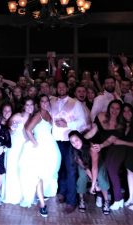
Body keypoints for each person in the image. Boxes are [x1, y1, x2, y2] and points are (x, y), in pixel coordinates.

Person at [19, 95, 61, 217]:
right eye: (42, 101)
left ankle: (43, 195)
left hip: (51, 146)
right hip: (40, 148)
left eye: (46, 101)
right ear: (39, 103)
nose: (45, 103)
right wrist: (35, 143)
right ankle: (42, 205)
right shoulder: (38, 115)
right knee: (38, 175)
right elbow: (27, 129)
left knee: (48, 172)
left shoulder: (49, 114)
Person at [51, 81, 86, 214]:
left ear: (67, 88)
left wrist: (67, 123)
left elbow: (82, 122)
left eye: (63, 87)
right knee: (59, 168)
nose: (61, 88)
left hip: (69, 141)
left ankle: (72, 201)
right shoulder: (52, 101)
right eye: (59, 87)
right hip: (55, 141)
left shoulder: (75, 103)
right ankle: (62, 192)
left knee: (71, 170)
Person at [86, 99, 125, 210]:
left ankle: (114, 197)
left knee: (110, 170)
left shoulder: (121, 124)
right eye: (112, 107)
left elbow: (111, 139)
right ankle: (100, 195)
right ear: (108, 108)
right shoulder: (102, 116)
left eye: (117, 108)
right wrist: (82, 139)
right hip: (100, 147)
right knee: (98, 169)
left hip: (114, 148)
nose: (114, 110)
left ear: (120, 110)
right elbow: (93, 131)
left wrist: (101, 146)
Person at [112, 103, 133, 210]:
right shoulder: (122, 125)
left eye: (129, 110)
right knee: (129, 174)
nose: (127, 113)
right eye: (124, 111)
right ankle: (131, 198)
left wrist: (122, 142)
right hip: (127, 154)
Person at [69, 131, 110, 215]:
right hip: (86, 165)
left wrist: (94, 183)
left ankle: (106, 200)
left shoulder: (91, 148)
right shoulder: (75, 152)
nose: (75, 144)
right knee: (82, 177)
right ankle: (81, 199)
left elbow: (94, 168)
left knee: (101, 176)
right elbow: (85, 167)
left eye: (76, 140)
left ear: (81, 138)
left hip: (97, 163)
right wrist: (94, 183)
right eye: (72, 142)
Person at [3, 97, 35, 204]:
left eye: (31, 105)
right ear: (23, 106)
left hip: (26, 146)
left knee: (24, 170)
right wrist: (12, 127)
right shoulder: (17, 116)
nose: (30, 107)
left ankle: (24, 194)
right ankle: (13, 195)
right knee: (13, 168)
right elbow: (9, 130)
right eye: (27, 105)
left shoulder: (33, 117)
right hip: (15, 145)